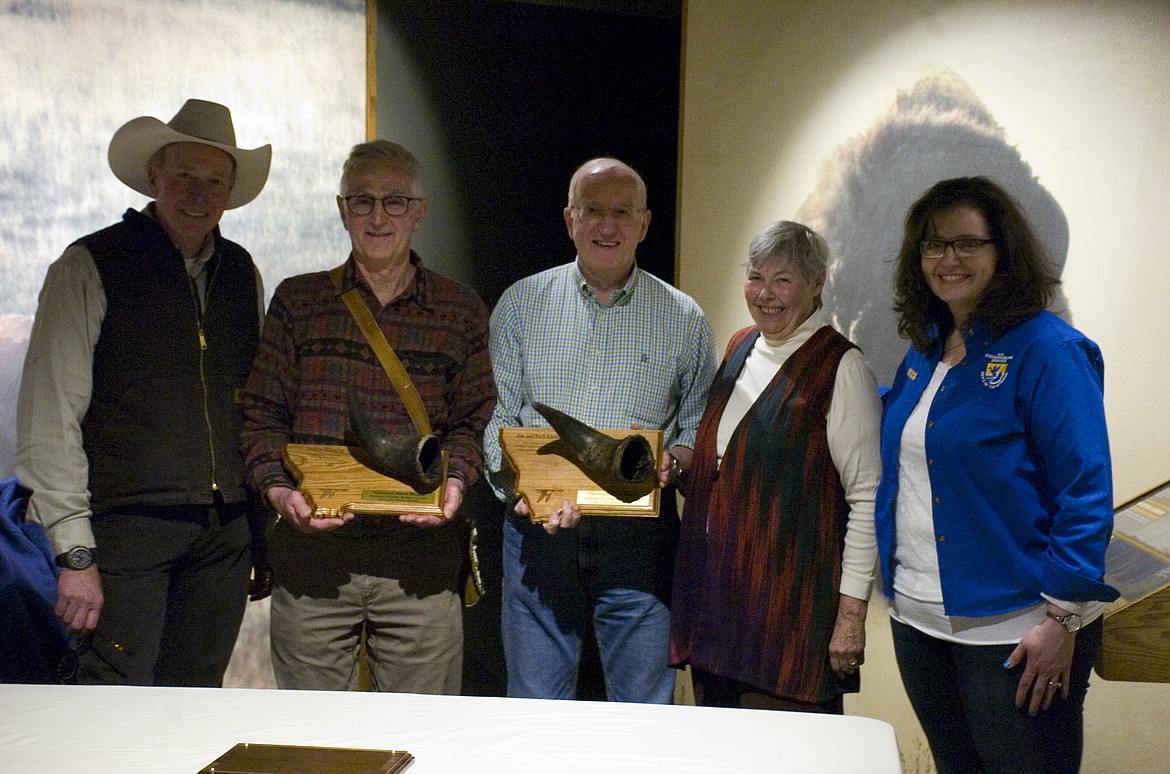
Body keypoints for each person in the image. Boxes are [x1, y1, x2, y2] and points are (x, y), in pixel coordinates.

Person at [15, 99, 272, 686]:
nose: (198, 193)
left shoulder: (240, 272)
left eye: (215, 180)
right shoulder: (91, 264)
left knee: (193, 707)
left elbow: (251, 413)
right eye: (184, 175)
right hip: (124, 535)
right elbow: (48, 419)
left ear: (230, 191)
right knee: (112, 706)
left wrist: (259, 534)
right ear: (154, 177)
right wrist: (75, 553)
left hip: (223, 537)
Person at [876, 176, 1118, 774]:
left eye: (967, 244)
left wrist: (1060, 619)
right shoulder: (929, 346)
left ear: (1002, 252)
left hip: (1017, 633)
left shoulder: (1049, 350)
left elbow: (1084, 491)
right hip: (919, 619)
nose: (947, 260)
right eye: (933, 245)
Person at [240, 140, 496, 694]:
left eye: (395, 201)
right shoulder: (298, 302)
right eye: (362, 201)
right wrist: (281, 495)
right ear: (341, 209)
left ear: (420, 211)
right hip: (314, 560)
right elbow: (261, 418)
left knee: (421, 735)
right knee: (315, 741)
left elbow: (475, 423)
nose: (377, 216)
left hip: (422, 565)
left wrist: (454, 485)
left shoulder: (460, 309)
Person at [483, 157, 718, 703]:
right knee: (535, 713)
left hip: (640, 544)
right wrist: (524, 492)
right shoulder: (521, 305)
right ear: (570, 220)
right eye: (592, 211)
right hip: (538, 537)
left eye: (621, 213)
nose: (606, 227)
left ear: (645, 223)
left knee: (644, 716)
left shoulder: (684, 318)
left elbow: (694, 432)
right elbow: (496, 420)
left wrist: (673, 464)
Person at [669, 221, 881, 714]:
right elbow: (729, 468)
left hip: (791, 615)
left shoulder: (841, 368)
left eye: (782, 280)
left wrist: (851, 615)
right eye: (755, 277)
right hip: (718, 607)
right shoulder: (741, 345)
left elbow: (867, 498)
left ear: (816, 283)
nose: (765, 294)